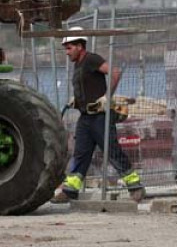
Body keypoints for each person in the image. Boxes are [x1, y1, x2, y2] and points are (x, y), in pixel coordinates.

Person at [52, 27, 146, 203]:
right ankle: (70, 191)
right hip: (86, 118)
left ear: (80, 46)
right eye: (66, 48)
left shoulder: (91, 59)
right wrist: (77, 101)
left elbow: (115, 72)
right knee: (80, 154)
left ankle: (136, 187)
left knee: (112, 152)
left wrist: (106, 98)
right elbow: (87, 86)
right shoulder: (78, 65)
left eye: (69, 47)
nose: (67, 52)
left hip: (100, 118)